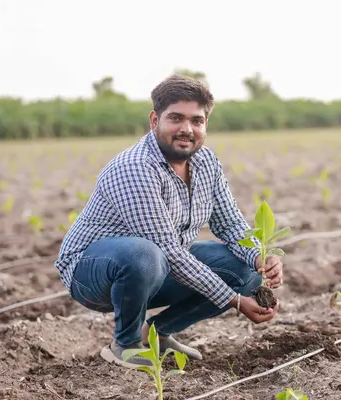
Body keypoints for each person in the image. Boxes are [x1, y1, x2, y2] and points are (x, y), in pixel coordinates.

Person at [54, 74, 282, 369]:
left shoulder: (206, 163)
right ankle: (125, 344)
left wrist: (260, 257)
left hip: (157, 267)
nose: (186, 129)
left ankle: (158, 333)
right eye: (176, 118)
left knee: (244, 270)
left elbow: (230, 225)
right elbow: (168, 251)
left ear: (205, 125)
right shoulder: (136, 167)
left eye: (196, 121)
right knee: (145, 253)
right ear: (154, 120)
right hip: (92, 273)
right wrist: (235, 301)